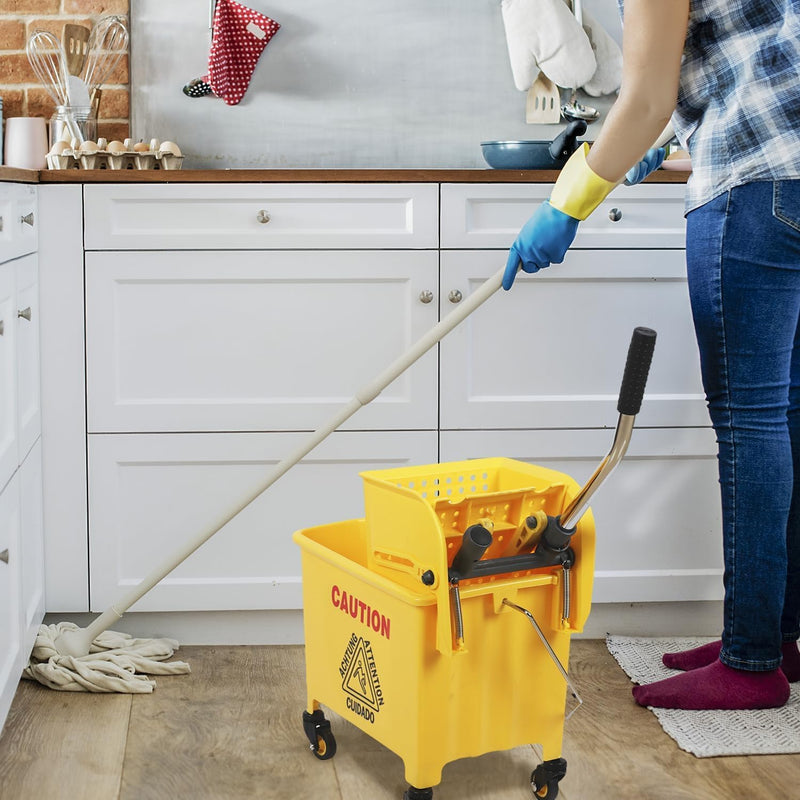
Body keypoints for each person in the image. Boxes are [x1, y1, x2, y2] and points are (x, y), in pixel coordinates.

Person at [503, 0, 800, 710]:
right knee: (785, 413)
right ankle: (776, 636)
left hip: (752, 183)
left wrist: (567, 202)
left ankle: (750, 663)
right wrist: (664, 138)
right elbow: (744, 55)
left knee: (752, 421)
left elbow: (642, 97)